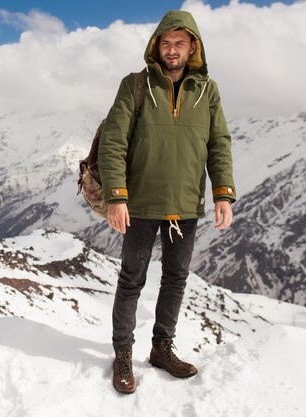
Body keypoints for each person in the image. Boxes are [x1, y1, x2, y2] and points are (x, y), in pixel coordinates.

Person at [98, 10, 236, 394]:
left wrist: (223, 192)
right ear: (156, 45)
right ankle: (123, 353)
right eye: (165, 42)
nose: (172, 50)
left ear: (193, 47)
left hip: (186, 205)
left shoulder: (208, 90)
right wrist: (116, 196)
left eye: (180, 43)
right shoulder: (135, 85)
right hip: (138, 203)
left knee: (175, 279)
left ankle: (161, 348)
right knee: (131, 280)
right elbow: (113, 142)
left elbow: (218, 144)